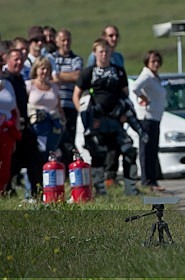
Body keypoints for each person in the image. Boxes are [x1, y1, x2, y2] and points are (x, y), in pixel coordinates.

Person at [73, 39, 140, 196]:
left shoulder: (119, 71)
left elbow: (125, 95)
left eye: (106, 52)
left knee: (129, 150)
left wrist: (124, 114)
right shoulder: (88, 72)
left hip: (115, 122)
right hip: (96, 123)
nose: (104, 55)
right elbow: (76, 96)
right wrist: (86, 117)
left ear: (111, 52)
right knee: (98, 154)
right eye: (101, 52)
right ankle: (100, 189)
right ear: (95, 53)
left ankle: (131, 188)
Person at [1, 48, 43, 197]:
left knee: (34, 160)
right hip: (10, 128)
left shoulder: (19, 79)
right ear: (7, 61)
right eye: (15, 59)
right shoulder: (5, 80)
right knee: (11, 163)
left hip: (24, 127)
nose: (19, 62)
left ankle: (36, 193)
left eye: (21, 59)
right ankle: (7, 190)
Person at [130, 50, 166, 192]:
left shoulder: (154, 77)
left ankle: (152, 180)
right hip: (147, 118)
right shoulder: (146, 75)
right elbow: (135, 87)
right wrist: (143, 98)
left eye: (157, 61)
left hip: (155, 118)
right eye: (152, 61)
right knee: (146, 150)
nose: (156, 64)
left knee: (153, 150)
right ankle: (146, 180)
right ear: (147, 62)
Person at [51, 29, 83, 161]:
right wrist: (66, 76)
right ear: (57, 42)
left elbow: (77, 75)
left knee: (70, 137)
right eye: (63, 40)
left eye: (68, 40)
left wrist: (57, 76)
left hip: (69, 104)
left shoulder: (76, 59)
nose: (66, 43)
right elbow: (48, 75)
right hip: (54, 105)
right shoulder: (51, 57)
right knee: (56, 140)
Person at [26, 57, 65, 159]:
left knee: (52, 152)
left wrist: (63, 121)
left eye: (47, 69)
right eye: (42, 68)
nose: (45, 71)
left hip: (54, 125)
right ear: (36, 69)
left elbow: (59, 106)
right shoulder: (29, 85)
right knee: (38, 153)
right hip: (36, 125)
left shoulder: (54, 87)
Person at [0, 77, 22, 193]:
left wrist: (15, 132)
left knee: (5, 167)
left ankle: (2, 192)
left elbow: (15, 108)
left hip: (7, 130)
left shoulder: (7, 85)